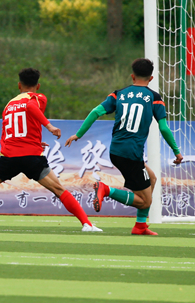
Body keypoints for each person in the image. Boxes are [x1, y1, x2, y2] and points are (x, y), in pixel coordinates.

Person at [0, 68, 101, 232]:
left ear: (19, 85)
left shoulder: (8, 105)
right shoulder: (37, 98)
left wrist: (34, 141)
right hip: (31, 157)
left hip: (9, 156)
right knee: (58, 189)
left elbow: (11, 131)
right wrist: (49, 126)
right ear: (38, 86)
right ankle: (87, 224)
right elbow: (30, 106)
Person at [65, 58, 183, 236]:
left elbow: (96, 112)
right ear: (151, 78)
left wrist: (78, 134)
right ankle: (106, 190)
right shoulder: (155, 98)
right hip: (131, 154)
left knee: (152, 179)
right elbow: (164, 128)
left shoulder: (118, 94)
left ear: (132, 76)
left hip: (117, 151)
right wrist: (176, 151)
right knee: (145, 201)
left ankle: (140, 226)